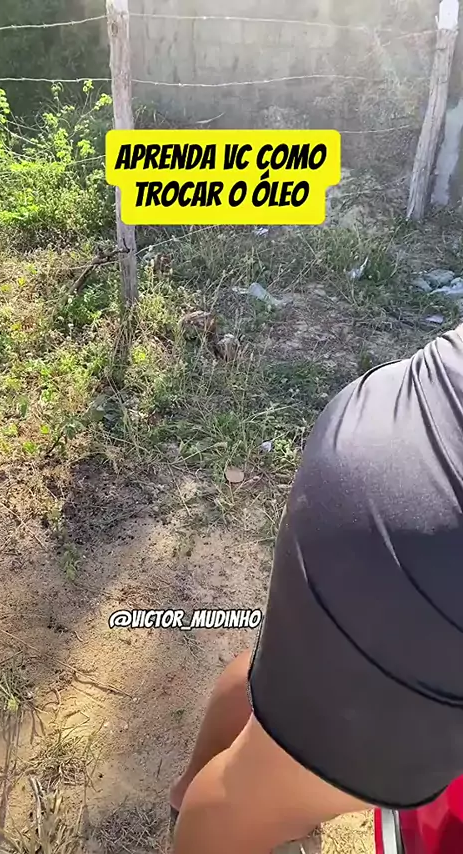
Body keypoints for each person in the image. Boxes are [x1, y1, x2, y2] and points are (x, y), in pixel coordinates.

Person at [169, 325, 463, 854]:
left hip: (396, 412)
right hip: (433, 545)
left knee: (281, 690)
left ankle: (190, 795)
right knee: (255, 800)